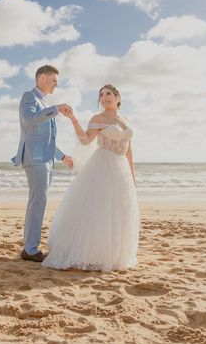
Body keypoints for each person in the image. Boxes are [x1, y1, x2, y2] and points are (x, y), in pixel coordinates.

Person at [42, 84, 139, 271]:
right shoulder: (98, 118)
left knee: (118, 210)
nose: (104, 98)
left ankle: (112, 254)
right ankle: (92, 253)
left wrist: (132, 177)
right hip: (104, 164)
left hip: (121, 169)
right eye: (101, 95)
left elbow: (129, 149)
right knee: (99, 209)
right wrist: (73, 119)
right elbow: (86, 140)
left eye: (108, 94)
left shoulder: (125, 119)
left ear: (118, 97)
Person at [12, 65, 74, 262]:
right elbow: (30, 119)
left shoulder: (43, 101)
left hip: (45, 160)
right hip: (35, 160)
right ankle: (30, 250)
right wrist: (56, 109)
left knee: (38, 202)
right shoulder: (29, 96)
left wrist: (62, 156)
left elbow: (45, 138)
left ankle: (30, 247)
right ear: (42, 78)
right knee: (37, 203)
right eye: (54, 80)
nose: (57, 84)